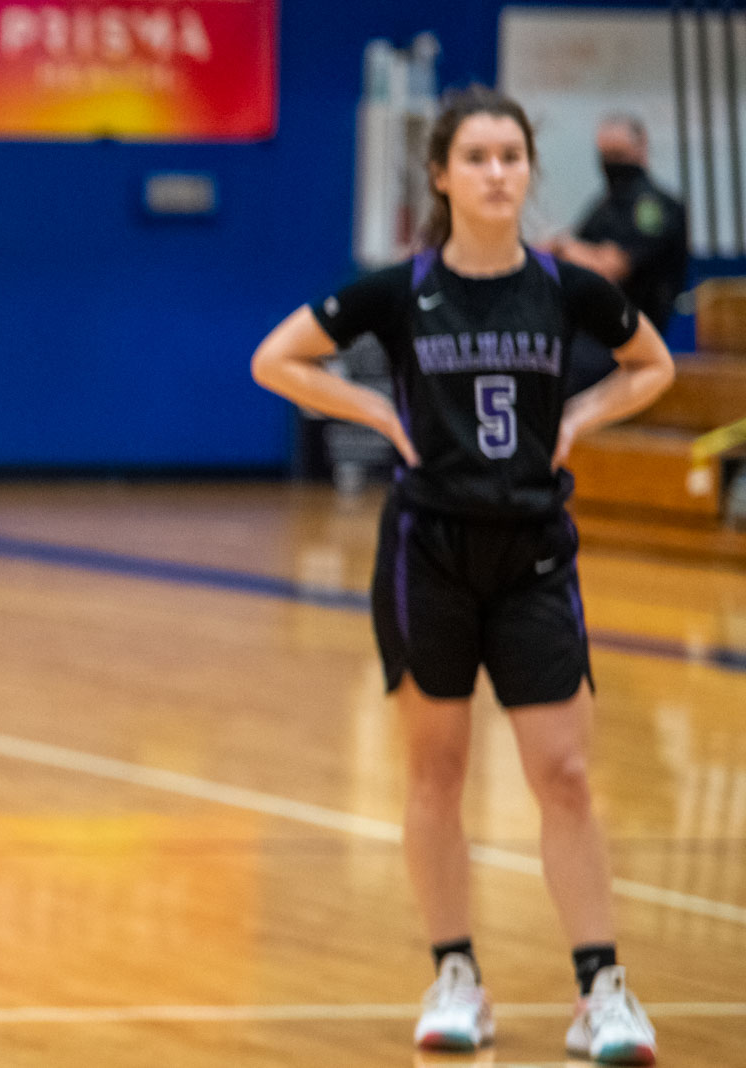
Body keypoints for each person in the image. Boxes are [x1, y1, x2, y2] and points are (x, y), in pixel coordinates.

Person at [251, 87, 673, 1065]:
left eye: (510, 157)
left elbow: (649, 365)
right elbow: (277, 358)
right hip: (427, 554)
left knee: (564, 774)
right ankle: (456, 976)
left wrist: (581, 419)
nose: (496, 174)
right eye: (476, 157)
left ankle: (601, 990)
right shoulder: (399, 292)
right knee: (435, 773)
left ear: (529, 171)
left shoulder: (566, 288)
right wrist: (378, 414)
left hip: (533, 554)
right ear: (440, 175)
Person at [550, 114, 688, 333]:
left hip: (634, 330)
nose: (612, 165)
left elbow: (612, 266)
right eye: (606, 156)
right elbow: (574, 246)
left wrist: (563, 247)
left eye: (619, 155)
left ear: (641, 147)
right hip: (595, 326)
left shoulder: (653, 207)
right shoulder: (604, 205)